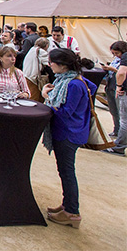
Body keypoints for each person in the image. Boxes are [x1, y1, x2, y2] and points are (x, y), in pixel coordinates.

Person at [41, 48, 95, 229]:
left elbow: (65, 113)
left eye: (52, 62)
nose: (49, 65)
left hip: (68, 133)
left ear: (62, 65)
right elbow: (92, 88)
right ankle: (67, 205)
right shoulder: (72, 80)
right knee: (64, 171)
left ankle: (72, 212)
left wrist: (47, 97)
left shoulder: (72, 84)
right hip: (73, 130)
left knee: (66, 172)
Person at [105, 41, 127, 156]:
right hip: (117, 87)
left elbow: (122, 73)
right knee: (118, 114)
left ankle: (119, 146)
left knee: (124, 119)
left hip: (123, 89)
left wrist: (119, 86)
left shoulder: (125, 57)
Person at [23, 38, 51, 102]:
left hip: (26, 75)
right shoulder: (41, 52)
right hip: (33, 78)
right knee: (35, 98)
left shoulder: (32, 49)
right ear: (46, 46)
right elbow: (49, 63)